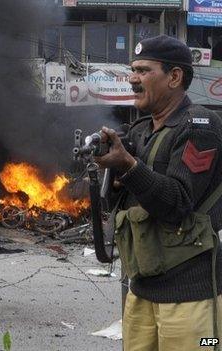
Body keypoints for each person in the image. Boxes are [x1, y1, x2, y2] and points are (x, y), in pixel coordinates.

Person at [95, 35, 222, 351]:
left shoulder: (200, 126)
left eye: (143, 70)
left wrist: (129, 166)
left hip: (191, 297)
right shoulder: (140, 131)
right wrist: (109, 174)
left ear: (175, 77)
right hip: (141, 290)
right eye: (132, 70)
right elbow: (116, 203)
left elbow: (178, 202)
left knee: (206, 345)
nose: (133, 79)